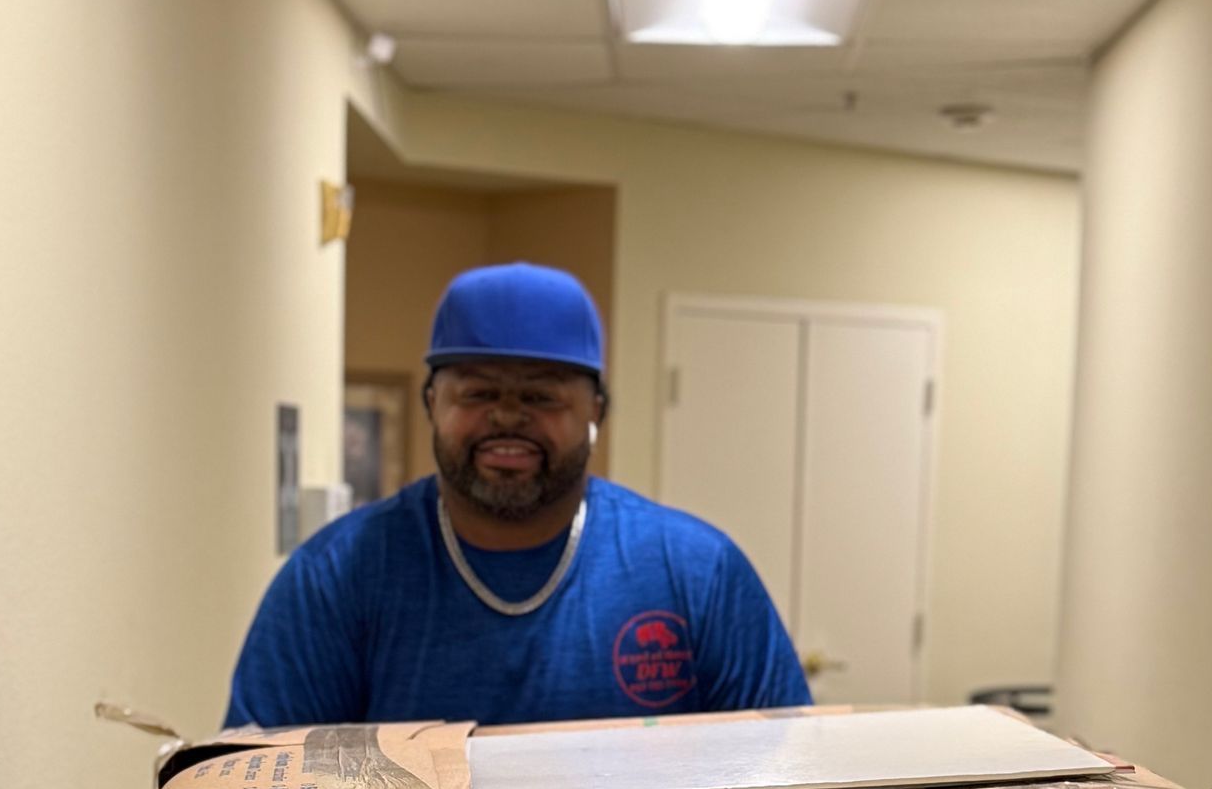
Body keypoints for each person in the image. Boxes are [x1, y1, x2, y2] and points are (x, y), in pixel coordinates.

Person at [226, 262, 809, 726]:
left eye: (541, 396)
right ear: (433, 404)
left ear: (596, 413)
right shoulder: (336, 577)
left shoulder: (697, 573)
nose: (507, 416)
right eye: (478, 393)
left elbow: (790, 782)